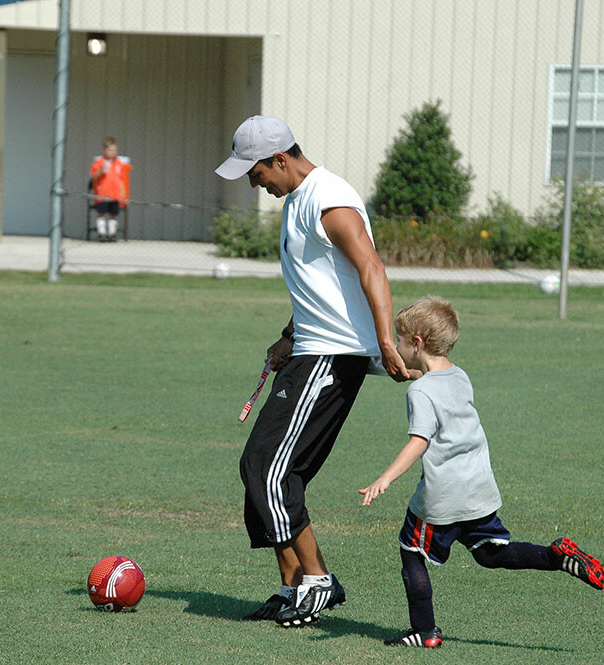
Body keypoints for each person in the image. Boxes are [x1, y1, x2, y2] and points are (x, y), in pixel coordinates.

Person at [215, 115, 414, 628]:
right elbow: (319, 282)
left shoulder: (330, 199)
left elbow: (371, 267)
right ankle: (292, 587)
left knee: (270, 470)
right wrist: (288, 333)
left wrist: (386, 341)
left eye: (255, 173)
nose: (254, 183)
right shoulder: (296, 201)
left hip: (332, 357)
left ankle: (317, 579)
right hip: (307, 350)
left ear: (280, 159)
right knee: (262, 469)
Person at [358, 296, 604, 649]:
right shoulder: (459, 376)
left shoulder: (421, 393)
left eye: (398, 340)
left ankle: (424, 631)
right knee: (491, 554)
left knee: (410, 550)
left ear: (416, 343)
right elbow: (420, 373)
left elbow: (418, 442)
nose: (394, 346)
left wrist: (385, 478)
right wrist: (368, 366)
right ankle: (554, 556)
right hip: (479, 491)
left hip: (443, 497)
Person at [89, 137, 130, 242]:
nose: (113, 152)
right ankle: (102, 233)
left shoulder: (118, 163)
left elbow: (121, 179)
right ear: (105, 149)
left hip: (115, 194)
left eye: (115, 150)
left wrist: (123, 193)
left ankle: (112, 234)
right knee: (101, 213)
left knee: (113, 214)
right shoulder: (100, 162)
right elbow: (93, 177)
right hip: (102, 194)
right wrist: (100, 170)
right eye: (110, 150)